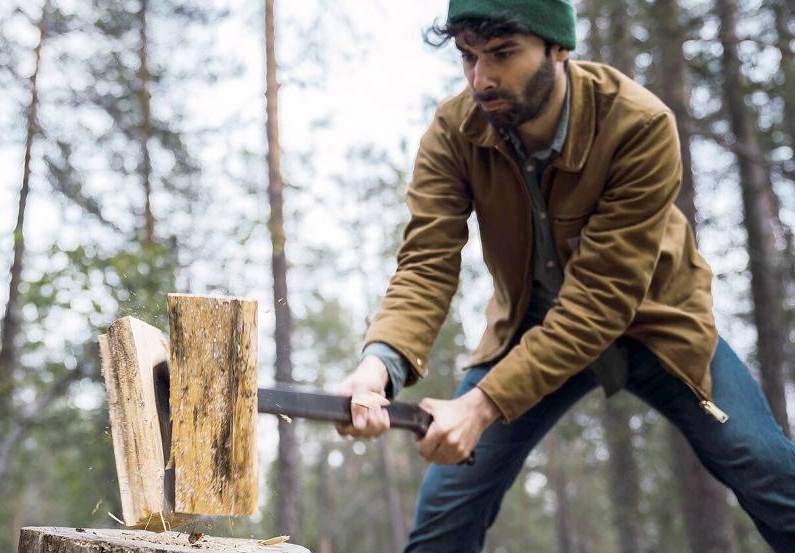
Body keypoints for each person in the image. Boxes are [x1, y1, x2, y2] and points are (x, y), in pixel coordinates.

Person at [333, 0, 795, 551]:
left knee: (768, 471)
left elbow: (599, 304)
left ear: (560, 48)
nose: (482, 78)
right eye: (468, 56)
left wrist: (480, 407)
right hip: (526, 333)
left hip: (657, 325)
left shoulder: (639, 125)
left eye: (503, 54)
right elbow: (426, 264)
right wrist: (377, 366)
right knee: (441, 522)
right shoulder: (453, 133)